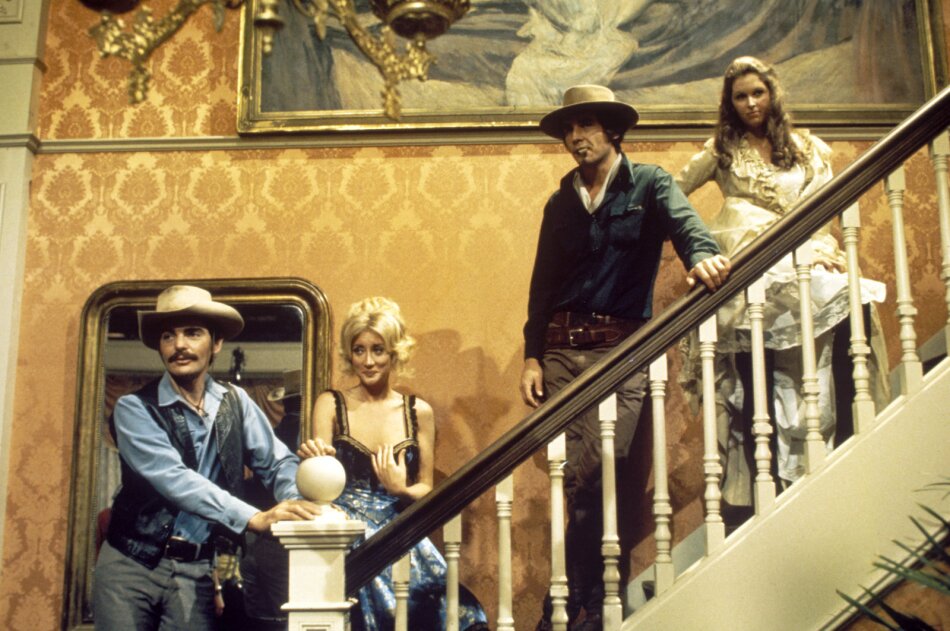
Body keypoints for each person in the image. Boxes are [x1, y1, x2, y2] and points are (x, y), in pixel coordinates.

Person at [521, 84, 731, 631]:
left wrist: (703, 256)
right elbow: (542, 286)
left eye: (586, 126)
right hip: (561, 351)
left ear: (611, 130)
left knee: (599, 471)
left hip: (621, 352)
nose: (576, 137)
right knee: (574, 479)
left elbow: (689, 229)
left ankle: (566, 599)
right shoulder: (560, 203)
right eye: (569, 129)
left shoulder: (650, 183)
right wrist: (532, 355)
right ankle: (590, 605)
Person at [674, 56, 889, 520]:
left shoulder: (807, 147)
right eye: (740, 96)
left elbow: (826, 205)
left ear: (772, 94)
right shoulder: (722, 150)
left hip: (805, 257)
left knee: (851, 302)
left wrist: (819, 247)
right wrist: (697, 249)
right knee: (758, 375)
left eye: (758, 92)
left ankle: (842, 454)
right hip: (753, 266)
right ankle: (765, 486)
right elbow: (673, 194)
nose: (751, 103)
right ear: (730, 104)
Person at [93, 284, 322, 631]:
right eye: (168, 336)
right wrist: (254, 517)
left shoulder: (237, 402)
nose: (179, 345)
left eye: (192, 333)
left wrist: (296, 502)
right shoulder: (133, 408)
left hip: (197, 570)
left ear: (216, 343)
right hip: (130, 566)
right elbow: (175, 479)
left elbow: (277, 463)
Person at [298, 297, 489, 631]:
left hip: (399, 532)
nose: (368, 361)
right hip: (347, 533)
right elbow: (321, 480)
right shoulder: (330, 404)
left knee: (456, 613)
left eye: (378, 350)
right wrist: (314, 459)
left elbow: (427, 489)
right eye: (359, 350)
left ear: (394, 352)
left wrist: (401, 489)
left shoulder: (419, 412)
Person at [240, 369, 304, 630]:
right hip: (287, 540)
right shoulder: (308, 438)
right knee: (293, 618)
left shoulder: (269, 437)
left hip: (255, 536)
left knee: (263, 620)